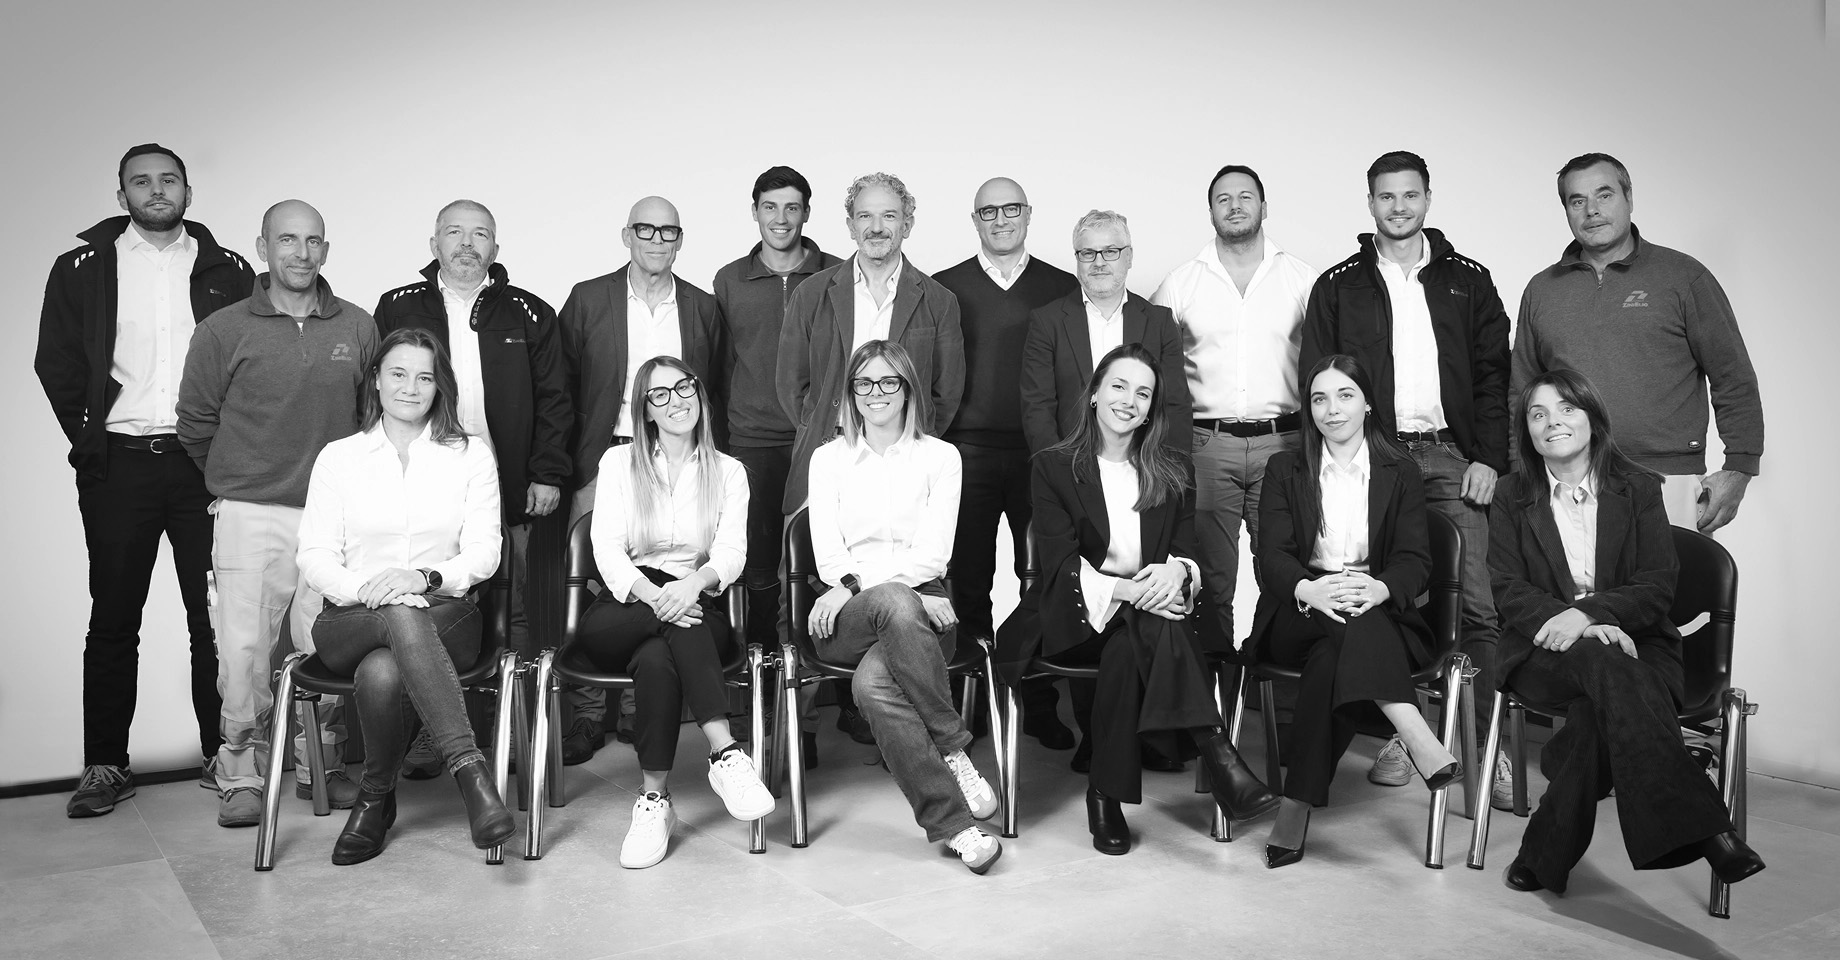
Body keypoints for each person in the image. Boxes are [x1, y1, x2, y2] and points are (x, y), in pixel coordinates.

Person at [35, 143, 255, 818]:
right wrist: (90, 435)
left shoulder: (228, 269)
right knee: (113, 618)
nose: (156, 190)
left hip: (202, 466)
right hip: (120, 464)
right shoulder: (81, 268)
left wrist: (229, 449)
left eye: (169, 180)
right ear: (122, 194)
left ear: (188, 191)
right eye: (142, 181)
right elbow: (57, 361)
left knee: (214, 619)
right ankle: (105, 764)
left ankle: (226, 756)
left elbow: (252, 362)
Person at [996, 344, 1280, 856]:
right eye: (1119, 386)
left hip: (1145, 624)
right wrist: (1130, 590)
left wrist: (1178, 571)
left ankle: (1104, 796)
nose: (1129, 400)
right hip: (1078, 614)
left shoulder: (1172, 469)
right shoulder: (1054, 466)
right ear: (1095, 394)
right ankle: (1217, 752)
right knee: (1144, 621)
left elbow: (1187, 552)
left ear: (1151, 409)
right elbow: (1059, 564)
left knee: (1130, 645)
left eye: (1143, 393)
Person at [1489, 369, 1764, 896]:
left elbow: (1657, 585)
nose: (1552, 422)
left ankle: (1541, 855)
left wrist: (1591, 615)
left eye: (1567, 408)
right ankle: (1709, 828)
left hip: (1639, 644)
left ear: (1593, 418)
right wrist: (1577, 625)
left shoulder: (1638, 487)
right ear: (1527, 431)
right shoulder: (1511, 494)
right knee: (1607, 666)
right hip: (1544, 648)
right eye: (1537, 414)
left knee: (1595, 717)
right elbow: (1507, 587)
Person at [1300, 151, 1511, 804]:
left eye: (1410, 195)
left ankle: (1485, 747)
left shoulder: (1468, 280)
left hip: (1452, 456)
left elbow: (1494, 374)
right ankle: (1406, 728)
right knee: (1392, 596)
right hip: (1377, 459)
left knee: (1477, 606)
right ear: (1370, 203)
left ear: (1427, 199)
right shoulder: (1339, 285)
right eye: (1386, 196)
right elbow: (1318, 379)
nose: (1399, 207)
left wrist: (1490, 457)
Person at [178, 199, 379, 827]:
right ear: (263, 249)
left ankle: (320, 765)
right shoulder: (223, 329)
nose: (301, 252)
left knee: (325, 646)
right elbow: (195, 422)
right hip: (251, 512)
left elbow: (372, 419)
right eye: (287, 240)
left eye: (313, 241)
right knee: (244, 651)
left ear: (327, 250)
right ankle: (239, 772)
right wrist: (241, 477)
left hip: (332, 518)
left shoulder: (357, 325)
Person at [295, 328, 516, 864]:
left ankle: (375, 797)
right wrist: (370, 590)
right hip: (349, 618)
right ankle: (471, 773)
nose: (410, 388)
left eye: (424, 377)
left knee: (382, 669)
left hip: (446, 616)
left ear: (440, 386)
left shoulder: (470, 455)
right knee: (393, 613)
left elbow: (485, 552)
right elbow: (315, 557)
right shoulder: (339, 458)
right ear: (375, 379)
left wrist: (423, 578)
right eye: (398, 373)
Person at [373, 199, 572, 778]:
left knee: (514, 607)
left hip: (510, 481)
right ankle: (433, 733)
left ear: (495, 248)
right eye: (454, 232)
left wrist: (547, 472)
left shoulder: (529, 312)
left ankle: (516, 731)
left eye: (479, 234)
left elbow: (556, 397)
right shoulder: (398, 306)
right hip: (424, 479)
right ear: (434, 243)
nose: (467, 243)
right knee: (430, 603)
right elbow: (378, 386)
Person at [1249, 354, 1459, 869]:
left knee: (1331, 659)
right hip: (1299, 610)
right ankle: (1413, 730)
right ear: (1309, 408)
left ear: (1367, 403)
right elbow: (1270, 555)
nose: (1332, 409)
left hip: (1376, 611)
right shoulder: (1284, 468)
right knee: (1339, 620)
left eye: (1345, 395)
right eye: (1319, 398)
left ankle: (1295, 807)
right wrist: (1311, 588)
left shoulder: (1399, 471)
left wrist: (1378, 589)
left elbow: (1415, 560)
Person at [804, 340, 1000, 874]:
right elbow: (828, 554)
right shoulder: (828, 459)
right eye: (864, 382)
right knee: (891, 597)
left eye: (888, 381)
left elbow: (934, 553)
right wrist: (863, 588)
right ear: (851, 393)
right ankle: (953, 749)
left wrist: (890, 590)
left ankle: (956, 828)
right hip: (847, 610)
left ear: (908, 388)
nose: (876, 393)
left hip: (923, 603)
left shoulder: (941, 457)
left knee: (872, 687)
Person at [574, 356, 775, 868]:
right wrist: (655, 596)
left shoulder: (728, 472)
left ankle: (654, 800)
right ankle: (725, 751)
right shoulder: (618, 463)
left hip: (696, 597)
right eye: (659, 394)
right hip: (626, 603)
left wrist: (693, 584)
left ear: (699, 394)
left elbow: (731, 552)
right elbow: (606, 548)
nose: (676, 401)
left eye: (684, 388)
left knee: (657, 658)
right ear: (645, 410)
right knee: (673, 626)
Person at [1512, 153, 1764, 534]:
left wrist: (1740, 468)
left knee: (1675, 576)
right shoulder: (1542, 290)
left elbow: (1732, 376)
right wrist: (1521, 475)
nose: (1592, 210)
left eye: (1604, 195)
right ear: (1566, 211)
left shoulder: (1683, 277)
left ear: (1629, 198)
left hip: (1668, 480)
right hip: (1567, 481)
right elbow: (1522, 392)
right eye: (1577, 201)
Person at [559, 195, 724, 765]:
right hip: (609, 454)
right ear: (626, 235)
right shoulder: (588, 298)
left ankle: (639, 707)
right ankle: (585, 716)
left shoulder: (702, 307)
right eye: (645, 229)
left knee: (668, 570)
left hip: (678, 456)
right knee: (598, 577)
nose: (657, 240)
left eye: (668, 231)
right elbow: (563, 385)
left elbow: (711, 385)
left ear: (680, 239)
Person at [933, 177, 1079, 752]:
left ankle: (1036, 700)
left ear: (1028, 214)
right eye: (988, 211)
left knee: (1042, 578)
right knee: (967, 580)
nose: (1000, 219)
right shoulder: (945, 287)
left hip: (1040, 454)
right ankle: (969, 703)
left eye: (1010, 208)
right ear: (975, 220)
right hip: (965, 451)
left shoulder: (1061, 286)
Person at [1151, 164, 1316, 654]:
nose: (1235, 205)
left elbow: (1326, 363)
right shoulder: (1181, 283)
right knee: (1209, 581)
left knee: (1287, 573)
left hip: (1284, 444)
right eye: (1223, 199)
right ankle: (1214, 687)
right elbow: (1153, 366)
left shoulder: (1301, 279)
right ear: (1210, 212)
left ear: (1264, 207)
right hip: (1207, 445)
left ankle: (1275, 683)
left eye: (1246, 196)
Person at [776, 171, 964, 513]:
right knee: (818, 547)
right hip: (830, 450)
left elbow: (947, 392)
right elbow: (790, 384)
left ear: (907, 225)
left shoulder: (939, 301)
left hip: (906, 459)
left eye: (889, 216)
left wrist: (913, 440)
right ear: (851, 226)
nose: (876, 227)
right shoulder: (811, 294)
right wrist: (819, 424)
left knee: (903, 547)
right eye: (865, 216)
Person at [713, 166, 841, 657]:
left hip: (823, 438)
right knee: (759, 562)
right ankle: (764, 667)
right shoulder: (729, 280)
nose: (781, 218)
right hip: (753, 440)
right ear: (754, 212)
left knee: (823, 559)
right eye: (770, 207)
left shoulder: (837, 275)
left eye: (792, 207)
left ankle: (818, 673)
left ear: (807, 213)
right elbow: (721, 366)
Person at [1020, 210, 1188, 458]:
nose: (1098, 262)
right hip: (1070, 464)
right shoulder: (1047, 322)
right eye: (1088, 253)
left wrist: (1170, 471)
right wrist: (1055, 471)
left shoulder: (1159, 323)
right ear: (1077, 258)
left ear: (1129, 256)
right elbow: (1037, 409)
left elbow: (1175, 407)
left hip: (1144, 465)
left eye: (1110, 252)